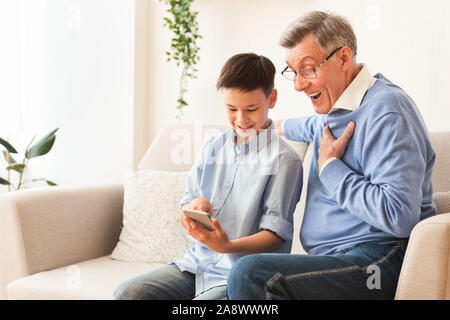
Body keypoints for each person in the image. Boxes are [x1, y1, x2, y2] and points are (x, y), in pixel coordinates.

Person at [226, 11, 436, 300]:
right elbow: (311, 126)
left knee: (251, 274)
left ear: (343, 58)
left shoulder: (388, 111)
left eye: (308, 69)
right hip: (336, 261)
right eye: (293, 72)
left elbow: (399, 216)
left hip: (379, 260)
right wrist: (271, 124)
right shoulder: (338, 109)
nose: (299, 84)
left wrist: (330, 168)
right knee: (214, 298)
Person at [114, 53, 303, 300]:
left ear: (272, 99)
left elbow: (274, 236)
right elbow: (186, 205)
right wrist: (194, 208)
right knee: (128, 294)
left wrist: (228, 247)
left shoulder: (284, 160)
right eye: (231, 108)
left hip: (243, 276)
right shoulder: (212, 146)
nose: (241, 119)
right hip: (197, 265)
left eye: (251, 109)